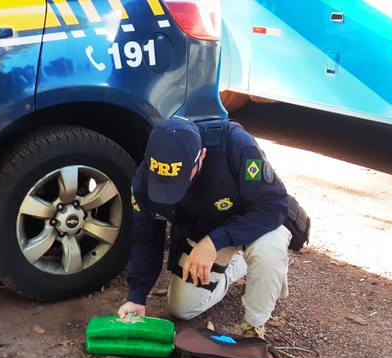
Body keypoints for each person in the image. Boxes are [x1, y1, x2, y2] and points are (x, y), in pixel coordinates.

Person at [117, 116, 292, 338]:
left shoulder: (236, 145)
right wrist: (137, 296)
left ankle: (253, 326)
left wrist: (215, 241)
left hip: (251, 226)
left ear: (202, 156)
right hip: (205, 234)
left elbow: (273, 207)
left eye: (181, 178)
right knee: (182, 308)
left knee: (269, 249)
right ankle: (238, 265)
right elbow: (146, 235)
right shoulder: (144, 178)